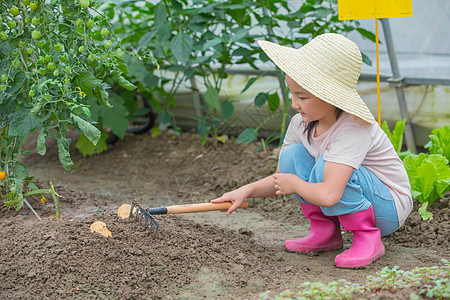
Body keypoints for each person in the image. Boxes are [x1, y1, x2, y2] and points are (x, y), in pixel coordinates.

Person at [211, 33, 412, 268]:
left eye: (302, 96)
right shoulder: (301, 123)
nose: (294, 103)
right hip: (342, 193)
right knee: (291, 156)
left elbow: (328, 194)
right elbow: (281, 178)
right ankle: (325, 232)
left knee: (327, 166)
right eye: (292, 93)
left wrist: (295, 185)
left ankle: (367, 237)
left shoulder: (354, 127)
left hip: (387, 208)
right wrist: (245, 190)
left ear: (331, 96)